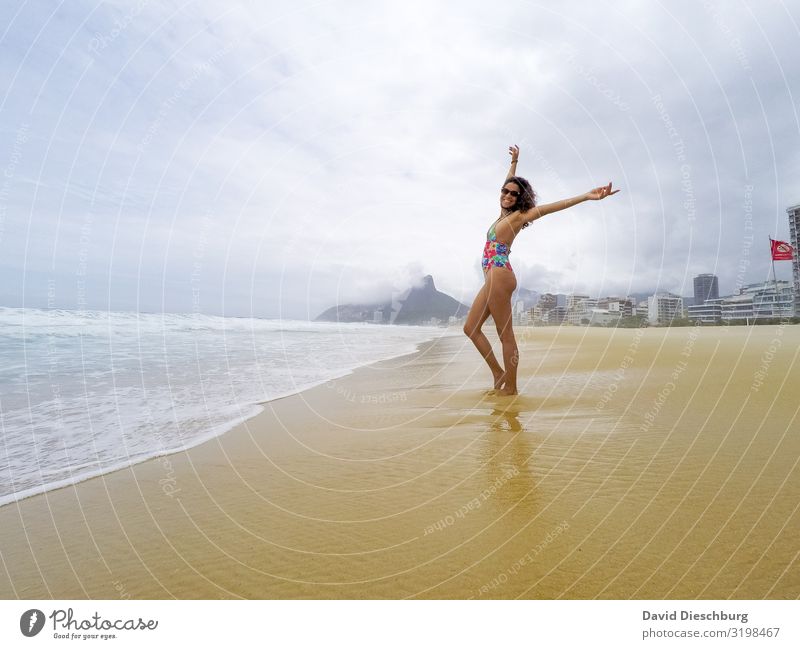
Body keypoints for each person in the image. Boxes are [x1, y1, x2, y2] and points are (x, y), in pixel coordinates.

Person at [463, 144, 620, 396]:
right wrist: (514, 162)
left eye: (513, 194)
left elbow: (551, 208)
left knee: (506, 336)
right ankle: (498, 372)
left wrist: (586, 196)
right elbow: (508, 182)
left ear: (520, 199)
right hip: (492, 276)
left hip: (500, 275)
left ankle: (511, 388)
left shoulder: (519, 216)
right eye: (505, 191)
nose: (507, 195)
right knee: (471, 328)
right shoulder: (501, 215)